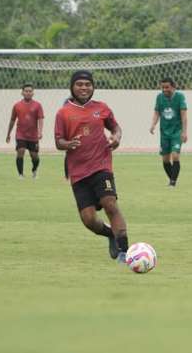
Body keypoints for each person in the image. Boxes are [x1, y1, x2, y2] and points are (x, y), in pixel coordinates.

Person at [54, 70, 130, 263]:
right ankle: (111, 235)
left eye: (87, 84)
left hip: (101, 166)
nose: (84, 88)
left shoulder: (102, 108)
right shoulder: (63, 113)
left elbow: (116, 127)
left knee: (109, 203)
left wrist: (117, 137)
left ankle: (124, 251)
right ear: (72, 87)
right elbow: (58, 141)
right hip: (79, 173)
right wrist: (67, 144)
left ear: (93, 87)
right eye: (79, 84)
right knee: (88, 220)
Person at [149, 77, 187, 186]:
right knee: (165, 159)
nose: (165, 89)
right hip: (164, 133)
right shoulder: (159, 97)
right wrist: (153, 125)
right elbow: (157, 113)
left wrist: (184, 132)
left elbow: (184, 116)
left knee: (175, 155)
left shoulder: (180, 97)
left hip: (176, 132)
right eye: (163, 87)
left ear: (173, 87)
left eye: (167, 87)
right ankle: (172, 179)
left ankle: (173, 182)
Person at [6, 84, 44, 179]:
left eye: (30, 91)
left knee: (34, 156)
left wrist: (40, 131)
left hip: (33, 135)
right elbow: (12, 120)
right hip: (20, 134)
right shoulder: (17, 106)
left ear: (33, 93)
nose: (28, 92)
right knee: (20, 151)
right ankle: (20, 174)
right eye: (26, 91)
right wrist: (8, 134)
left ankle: (34, 170)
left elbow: (40, 119)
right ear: (22, 92)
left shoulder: (37, 105)